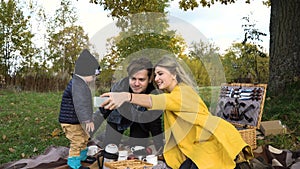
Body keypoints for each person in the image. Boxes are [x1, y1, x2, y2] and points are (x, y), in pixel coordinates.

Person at [100, 55, 254, 169]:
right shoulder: (170, 94)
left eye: (161, 74)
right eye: (156, 75)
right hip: (195, 144)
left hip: (212, 141)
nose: (157, 79)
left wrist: (127, 96)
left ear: (174, 74)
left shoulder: (182, 93)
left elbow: (155, 102)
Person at [93, 57, 164, 152]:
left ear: (150, 79)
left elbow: (155, 122)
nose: (136, 83)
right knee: (109, 148)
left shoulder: (154, 94)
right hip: (119, 117)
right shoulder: (119, 88)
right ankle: (104, 137)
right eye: (133, 79)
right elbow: (103, 111)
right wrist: (85, 134)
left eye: (141, 80)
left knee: (138, 149)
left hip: (140, 120)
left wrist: (160, 147)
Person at [59, 49, 100, 169]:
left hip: (77, 119)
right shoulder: (77, 85)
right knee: (77, 141)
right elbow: (80, 105)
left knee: (84, 137)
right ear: (85, 72)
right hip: (70, 121)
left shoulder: (80, 84)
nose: (93, 78)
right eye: (93, 76)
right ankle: (73, 163)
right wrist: (88, 120)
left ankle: (82, 156)